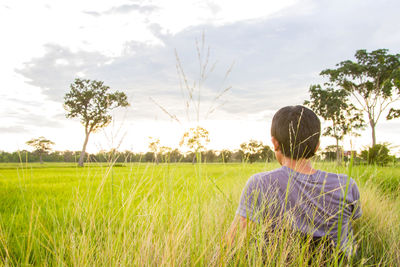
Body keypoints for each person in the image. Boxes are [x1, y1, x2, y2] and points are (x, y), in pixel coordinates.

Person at [228, 105, 362, 261]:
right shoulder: (346, 185)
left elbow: (232, 240)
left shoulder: (259, 183)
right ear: (317, 146)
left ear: (275, 143)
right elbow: (354, 221)